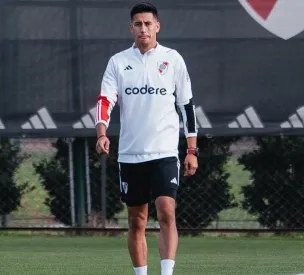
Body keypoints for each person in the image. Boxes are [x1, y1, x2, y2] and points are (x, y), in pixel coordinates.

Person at [94, 2, 199, 275]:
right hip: (131, 154)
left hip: (164, 152)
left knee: (166, 212)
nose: (143, 29)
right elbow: (106, 100)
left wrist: (192, 149)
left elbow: (186, 106)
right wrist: (102, 133)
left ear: (157, 27)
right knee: (137, 220)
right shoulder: (118, 62)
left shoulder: (173, 59)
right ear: (131, 28)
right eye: (138, 24)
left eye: (148, 24)